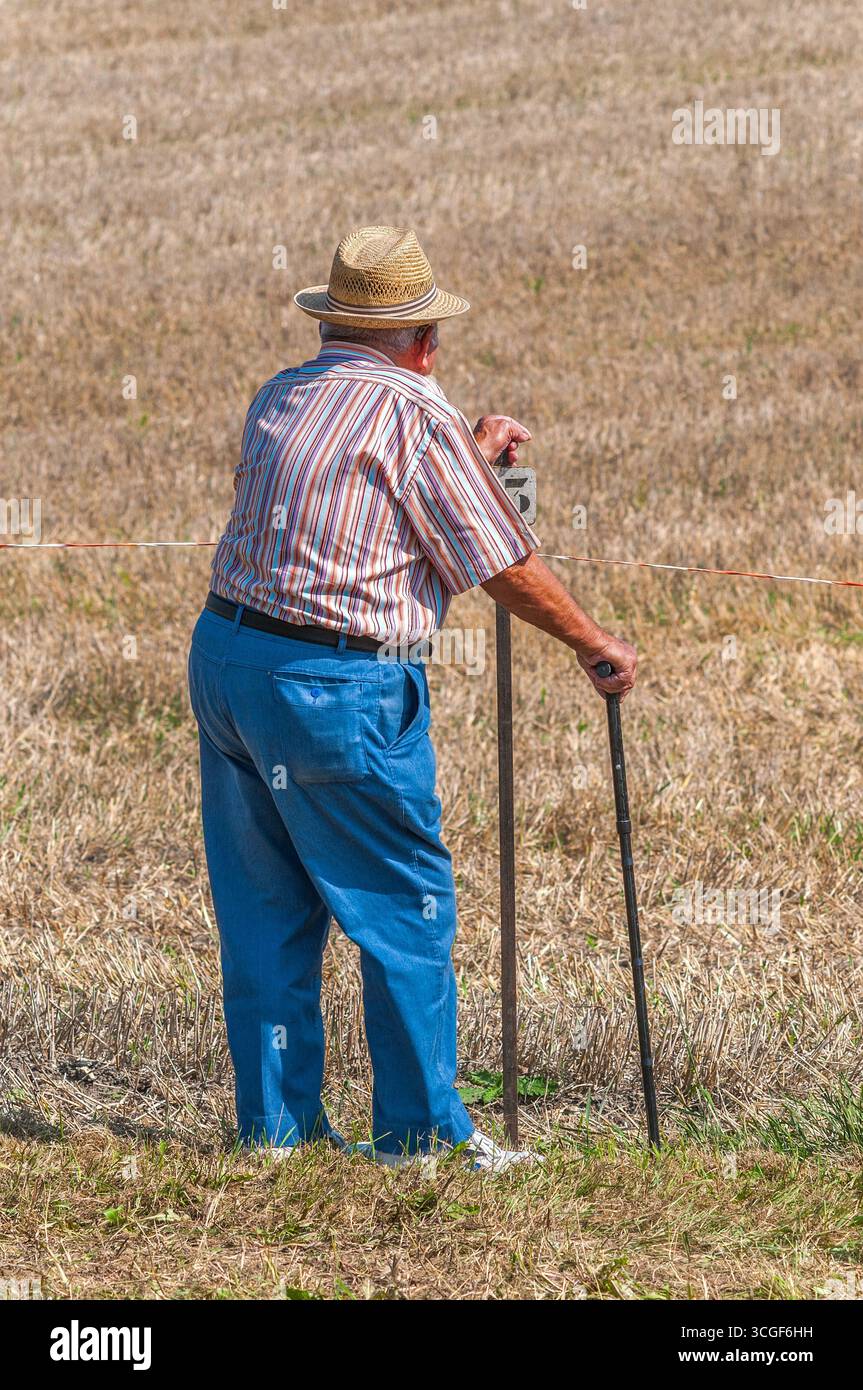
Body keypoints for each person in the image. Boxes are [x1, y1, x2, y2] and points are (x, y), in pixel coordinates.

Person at [187, 225, 636, 1173]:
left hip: (230, 661)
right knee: (404, 907)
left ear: (335, 323)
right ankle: (421, 1137)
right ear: (424, 338)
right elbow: (500, 564)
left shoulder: (286, 392)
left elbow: (371, 496)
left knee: (265, 909)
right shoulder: (415, 417)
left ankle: (274, 1133)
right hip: (334, 685)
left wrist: (470, 456)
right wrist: (594, 645)